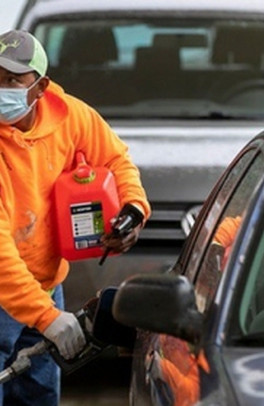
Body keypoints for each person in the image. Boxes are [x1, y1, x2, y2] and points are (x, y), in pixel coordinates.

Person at [0, 29, 151, 405]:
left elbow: (116, 160)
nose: (0, 87)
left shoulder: (70, 117)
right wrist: (46, 316)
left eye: (11, 79)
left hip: (46, 285)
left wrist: (132, 210)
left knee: (38, 395)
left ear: (41, 87)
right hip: (7, 292)